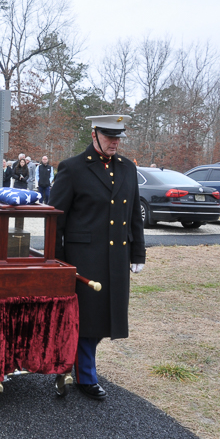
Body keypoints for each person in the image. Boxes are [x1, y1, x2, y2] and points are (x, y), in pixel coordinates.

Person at [48, 114, 146, 401]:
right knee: (87, 320)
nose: (114, 142)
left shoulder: (127, 168)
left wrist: (138, 252)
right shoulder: (73, 168)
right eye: (108, 136)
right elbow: (56, 221)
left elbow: (133, 216)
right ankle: (85, 375)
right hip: (84, 258)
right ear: (94, 135)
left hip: (116, 256)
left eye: (118, 138)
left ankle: (76, 367)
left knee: (107, 318)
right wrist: (59, 262)